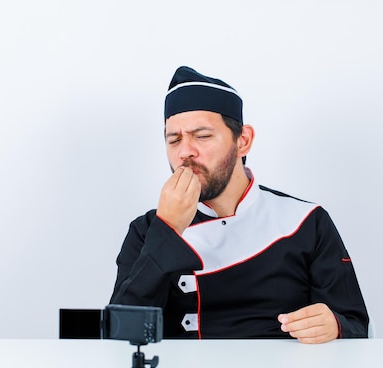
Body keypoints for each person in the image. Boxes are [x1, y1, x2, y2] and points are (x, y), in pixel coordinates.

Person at [110, 66, 368, 344]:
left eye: (202, 136)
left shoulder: (306, 221)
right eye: (174, 140)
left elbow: (355, 324)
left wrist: (335, 325)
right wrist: (167, 231)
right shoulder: (147, 230)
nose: (185, 152)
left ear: (243, 141)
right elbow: (120, 334)